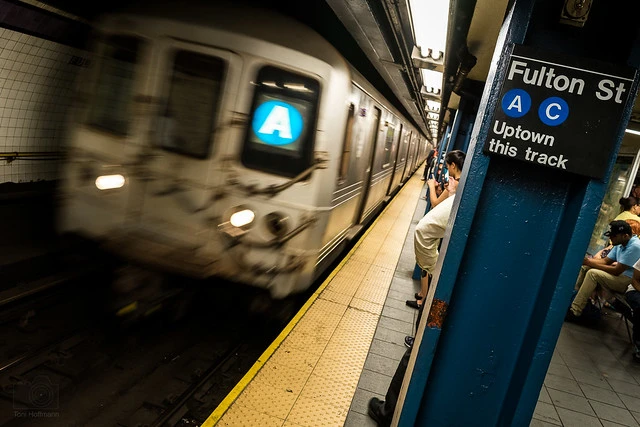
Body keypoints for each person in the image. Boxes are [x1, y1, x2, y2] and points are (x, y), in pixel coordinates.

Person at [368, 150, 466, 427]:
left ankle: (389, 412)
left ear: (452, 166)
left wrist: (433, 270)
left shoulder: (461, 191)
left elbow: (424, 231)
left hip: (446, 291)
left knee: (421, 346)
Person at [407, 150, 465, 309]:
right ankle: (423, 296)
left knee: (429, 261)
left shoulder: (456, 182)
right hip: (443, 229)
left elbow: (435, 203)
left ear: (453, 165)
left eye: (447, 167)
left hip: (439, 230)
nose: (447, 170)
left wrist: (432, 186)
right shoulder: (461, 183)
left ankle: (424, 298)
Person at [566, 220, 640, 323]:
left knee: (593, 274)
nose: (611, 238)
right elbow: (605, 261)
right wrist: (586, 261)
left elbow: (616, 271)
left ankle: (575, 311)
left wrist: (588, 262)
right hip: (619, 276)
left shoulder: (635, 246)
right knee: (585, 268)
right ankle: (579, 300)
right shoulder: (619, 244)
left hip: (627, 281)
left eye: (614, 236)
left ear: (625, 236)